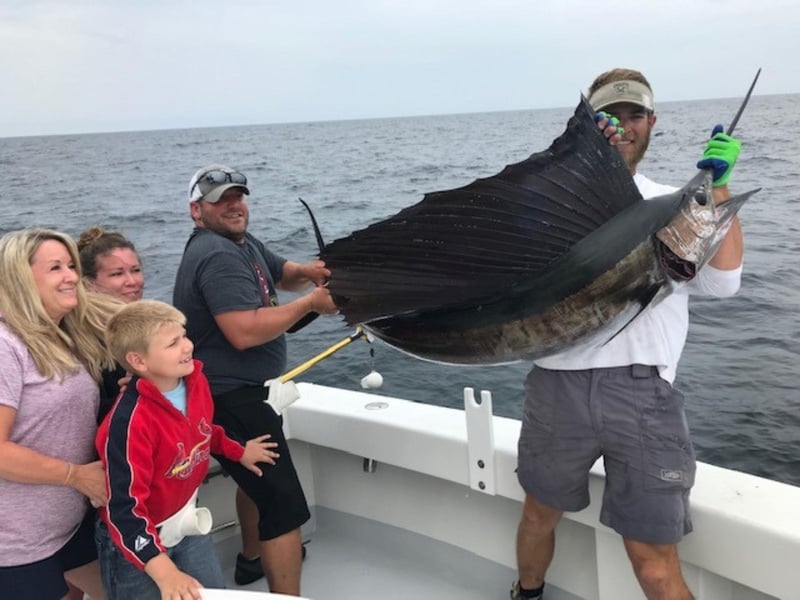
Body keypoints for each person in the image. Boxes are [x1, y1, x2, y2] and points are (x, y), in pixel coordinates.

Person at [510, 68, 744, 600]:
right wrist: (575, 162)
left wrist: (717, 185)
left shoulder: (670, 202)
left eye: (635, 114)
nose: (625, 125)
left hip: (644, 396)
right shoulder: (550, 209)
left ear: (652, 122)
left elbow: (725, 284)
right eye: (609, 116)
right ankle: (526, 593)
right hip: (556, 389)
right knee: (536, 517)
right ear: (591, 126)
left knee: (652, 558)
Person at [172, 164, 338, 595]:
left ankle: (250, 560)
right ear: (197, 210)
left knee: (257, 482)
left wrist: (309, 272)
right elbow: (243, 332)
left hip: (246, 395)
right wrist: (311, 304)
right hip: (231, 399)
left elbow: (279, 272)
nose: (234, 205)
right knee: (283, 507)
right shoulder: (217, 254)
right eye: (221, 200)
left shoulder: (240, 243)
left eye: (238, 197)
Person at [95, 299, 280, 600]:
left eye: (184, 336)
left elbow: (204, 431)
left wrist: (240, 451)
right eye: (173, 343)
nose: (187, 347)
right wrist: (164, 572)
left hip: (186, 524)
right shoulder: (130, 425)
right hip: (137, 543)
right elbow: (123, 510)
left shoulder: (196, 382)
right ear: (138, 362)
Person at [0, 228, 122, 600]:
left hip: (68, 523)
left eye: (70, 265)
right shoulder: (6, 347)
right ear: (21, 278)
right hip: (18, 543)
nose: (71, 275)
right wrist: (76, 476)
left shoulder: (61, 334)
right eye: (56, 268)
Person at [78, 226, 145, 423]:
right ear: (89, 283)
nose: (132, 281)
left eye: (136, 270)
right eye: (117, 274)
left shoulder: (138, 326)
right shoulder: (86, 337)